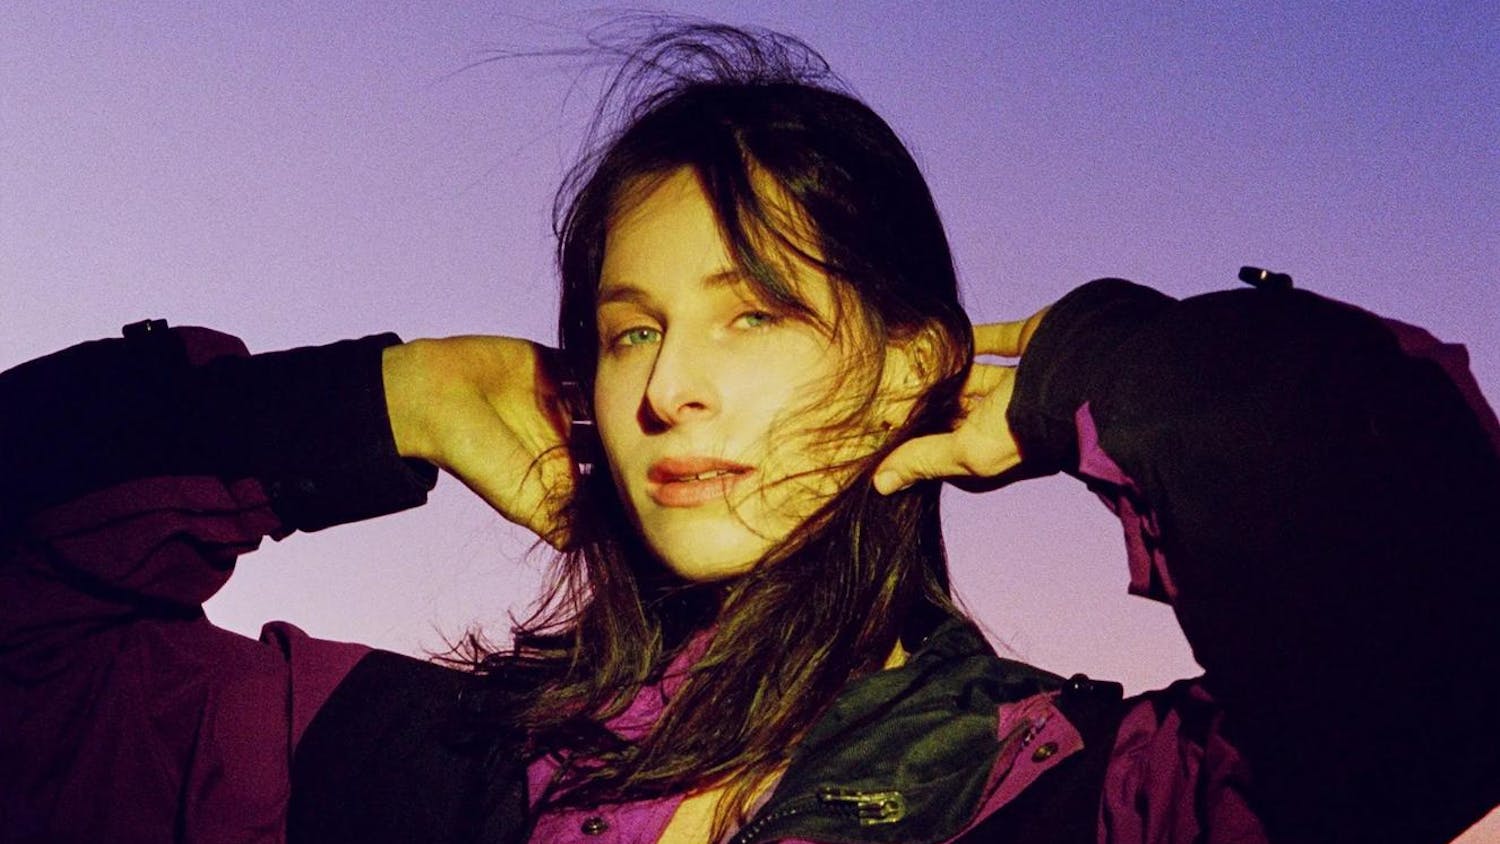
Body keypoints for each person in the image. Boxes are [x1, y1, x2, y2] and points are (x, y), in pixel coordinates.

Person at [2, 24, 1497, 844]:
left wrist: (1111, 365)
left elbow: (1435, 647)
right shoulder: (402, 759)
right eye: (629, 326)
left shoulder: (1090, 796)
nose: (667, 389)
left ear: (914, 359)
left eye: (758, 310)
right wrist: (386, 398)